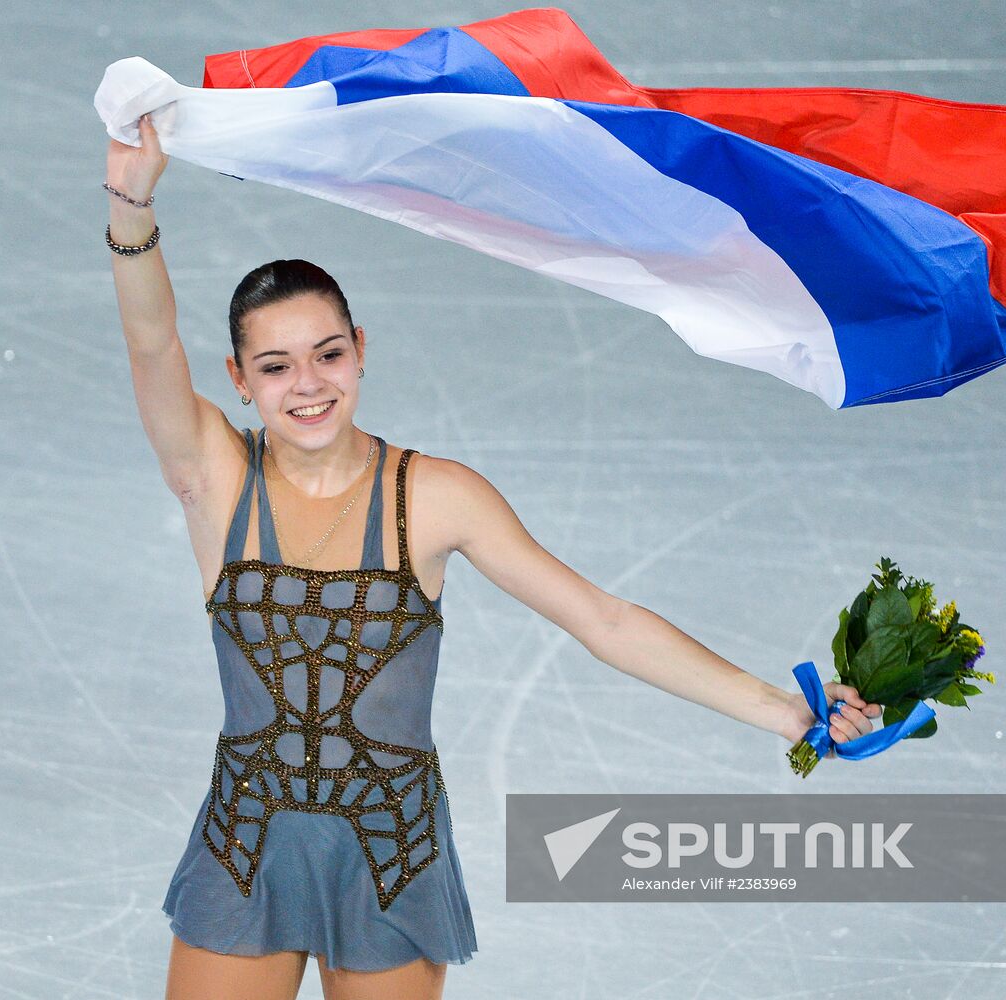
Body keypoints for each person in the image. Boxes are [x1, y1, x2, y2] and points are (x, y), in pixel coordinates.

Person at [105, 113, 882, 1000]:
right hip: (243, 848)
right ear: (240, 381)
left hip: (388, 849)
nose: (308, 384)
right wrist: (130, 202)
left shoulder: (436, 497)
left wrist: (780, 709)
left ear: (362, 352)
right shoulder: (213, 478)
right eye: (275, 367)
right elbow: (150, 343)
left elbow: (602, 619)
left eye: (327, 354)